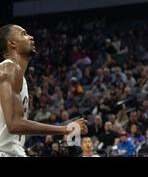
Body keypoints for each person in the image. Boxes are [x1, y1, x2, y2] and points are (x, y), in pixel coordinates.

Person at [0, 24, 87, 157]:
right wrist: (65, 129)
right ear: (12, 43)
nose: (31, 37)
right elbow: (14, 124)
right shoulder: (10, 69)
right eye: (24, 34)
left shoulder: (15, 74)